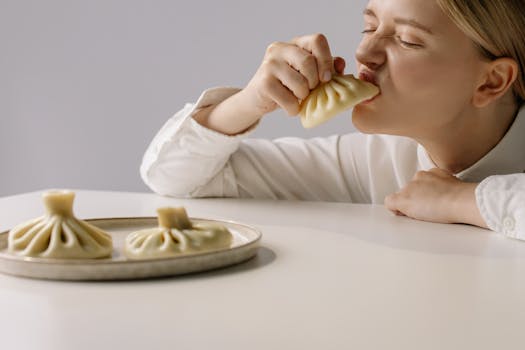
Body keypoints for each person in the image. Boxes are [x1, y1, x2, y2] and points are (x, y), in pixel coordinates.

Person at [141, 0, 525, 240]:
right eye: (370, 26)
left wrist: (461, 200)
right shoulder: (368, 162)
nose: (364, 51)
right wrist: (249, 101)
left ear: (491, 82)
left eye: (407, 39)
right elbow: (175, 178)